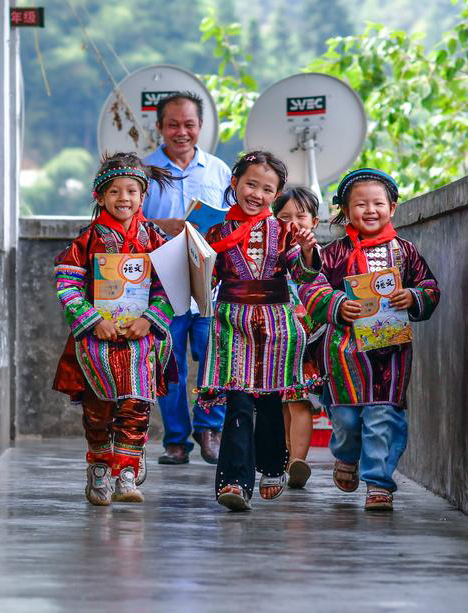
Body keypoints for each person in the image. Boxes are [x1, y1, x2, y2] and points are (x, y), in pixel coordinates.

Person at [299, 169, 441, 512]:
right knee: (346, 420)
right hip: (344, 353)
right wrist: (335, 304)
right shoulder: (335, 253)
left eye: (378, 203)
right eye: (360, 204)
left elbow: (430, 287)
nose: (370, 210)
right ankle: (346, 456)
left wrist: (413, 295)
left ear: (392, 207)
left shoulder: (406, 252)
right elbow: (311, 286)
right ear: (346, 211)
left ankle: (379, 483)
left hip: (391, 353)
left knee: (383, 416)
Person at [52, 153, 177, 506]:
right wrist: (95, 321)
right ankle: (99, 468)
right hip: (98, 340)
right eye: (115, 192)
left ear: (143, 195)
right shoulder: (86, 241)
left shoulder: (155, 238)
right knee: (98, 409)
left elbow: (169, 286)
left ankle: (126, 470)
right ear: (100, 197)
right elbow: (67, 285)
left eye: (132, 192)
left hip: (140, 340)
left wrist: (150, 319)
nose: (124, 199)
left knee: (137, 405)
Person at [199, 151, 321, 511]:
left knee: (269, 403)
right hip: (231, 323)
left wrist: (307, 252)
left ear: (276, 194)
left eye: (268, 189)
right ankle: (234, 482)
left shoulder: (284, 231)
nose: (257, 194)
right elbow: (207, 278)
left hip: (276, 326)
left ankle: (272, 466)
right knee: (237, 403)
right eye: (250, 184)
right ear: (234, 183)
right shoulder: (216, 232)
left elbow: (301, 274)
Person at [142, 91, 232, 466]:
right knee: (168, 363)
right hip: (162, 285)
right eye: (173, 124)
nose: (182, 132)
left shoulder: (219, 171)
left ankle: (209, 428)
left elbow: (236, 221)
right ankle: (176, 440)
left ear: (200, 127)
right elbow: (127, 222)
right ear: (160, 127)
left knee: (216, 357)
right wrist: (160, 225)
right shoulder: (144, 172)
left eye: (189, 124)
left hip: (210, 285)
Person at [271, 186, 325, 489]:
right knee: (283, 403)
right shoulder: (272, 252)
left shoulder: (315, 254)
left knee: (299, 401)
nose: (292, 223)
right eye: (284, 217)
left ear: (314, 222)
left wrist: (306, 250)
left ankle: (296, 462)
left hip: (304, 341)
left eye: (300, 217)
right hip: (276, 339)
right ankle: (289, 457)